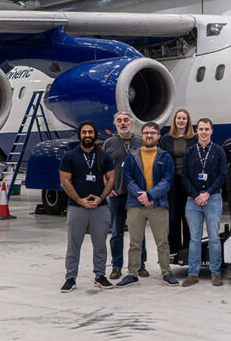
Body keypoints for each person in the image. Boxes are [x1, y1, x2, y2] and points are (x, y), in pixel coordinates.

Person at [116, 122, 178, 287]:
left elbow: (167, 181)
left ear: (158, 136)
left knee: (162, 242)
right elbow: (128, 179)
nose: (149, 135)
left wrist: (150, 194)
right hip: (136, 205)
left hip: (158, 204)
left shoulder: (165, 157)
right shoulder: (132, 156)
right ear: (141, 136)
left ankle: (166, 272)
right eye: (146, 133)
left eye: (152, 133)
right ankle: (132, 273)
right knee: (135, 242)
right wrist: (141, 196)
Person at [59, 121, 115, 293]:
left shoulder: (103, 156)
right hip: (77, 207)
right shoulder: (70, 156)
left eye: (90, 132)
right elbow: (65, 181)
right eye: (84, 132)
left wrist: (101, 198)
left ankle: (100, 275)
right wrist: (80, 200)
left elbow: (111, 179)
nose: (88, 135)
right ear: (80, 135)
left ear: (95, 134)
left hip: (99, 208)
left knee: (100, 245)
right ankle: (70, 278)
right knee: (74, 244)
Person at [181, 118, 228, 287]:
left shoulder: (218, 151)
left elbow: (223, 175)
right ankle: (193, 273)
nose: (204, 132)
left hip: (213, 199)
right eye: (201, 129)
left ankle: (216, 272)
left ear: (211, 131)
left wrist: (207, 193)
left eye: (207, 129)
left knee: (214, 238)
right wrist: (195, 195)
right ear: (196, 130)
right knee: (194, 239)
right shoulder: (190, 152)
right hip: (193, 201)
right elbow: (184, 176)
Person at [103, 111, 147, 280]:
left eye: (126, 120)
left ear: (132, 123)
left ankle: (140, 265)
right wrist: (107, 187)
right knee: (116, 232)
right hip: (117, 194)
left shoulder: (140, 142)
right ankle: (116, 266)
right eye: (119, 121)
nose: (123, 123)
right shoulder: (109, 143)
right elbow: (103, 168)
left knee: (138, 233)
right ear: (116, 124)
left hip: (136, 196)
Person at [159, 109, 197, 258]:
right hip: (172, 182)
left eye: (184, 118)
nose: (181, 121)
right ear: (175, 121)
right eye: (179, 118)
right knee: (173, 216)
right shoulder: (166, 139)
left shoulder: (194, 139)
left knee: (188, 216)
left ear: (188, 121)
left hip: (188, 181)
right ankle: (174, 249)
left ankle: (188, 249)